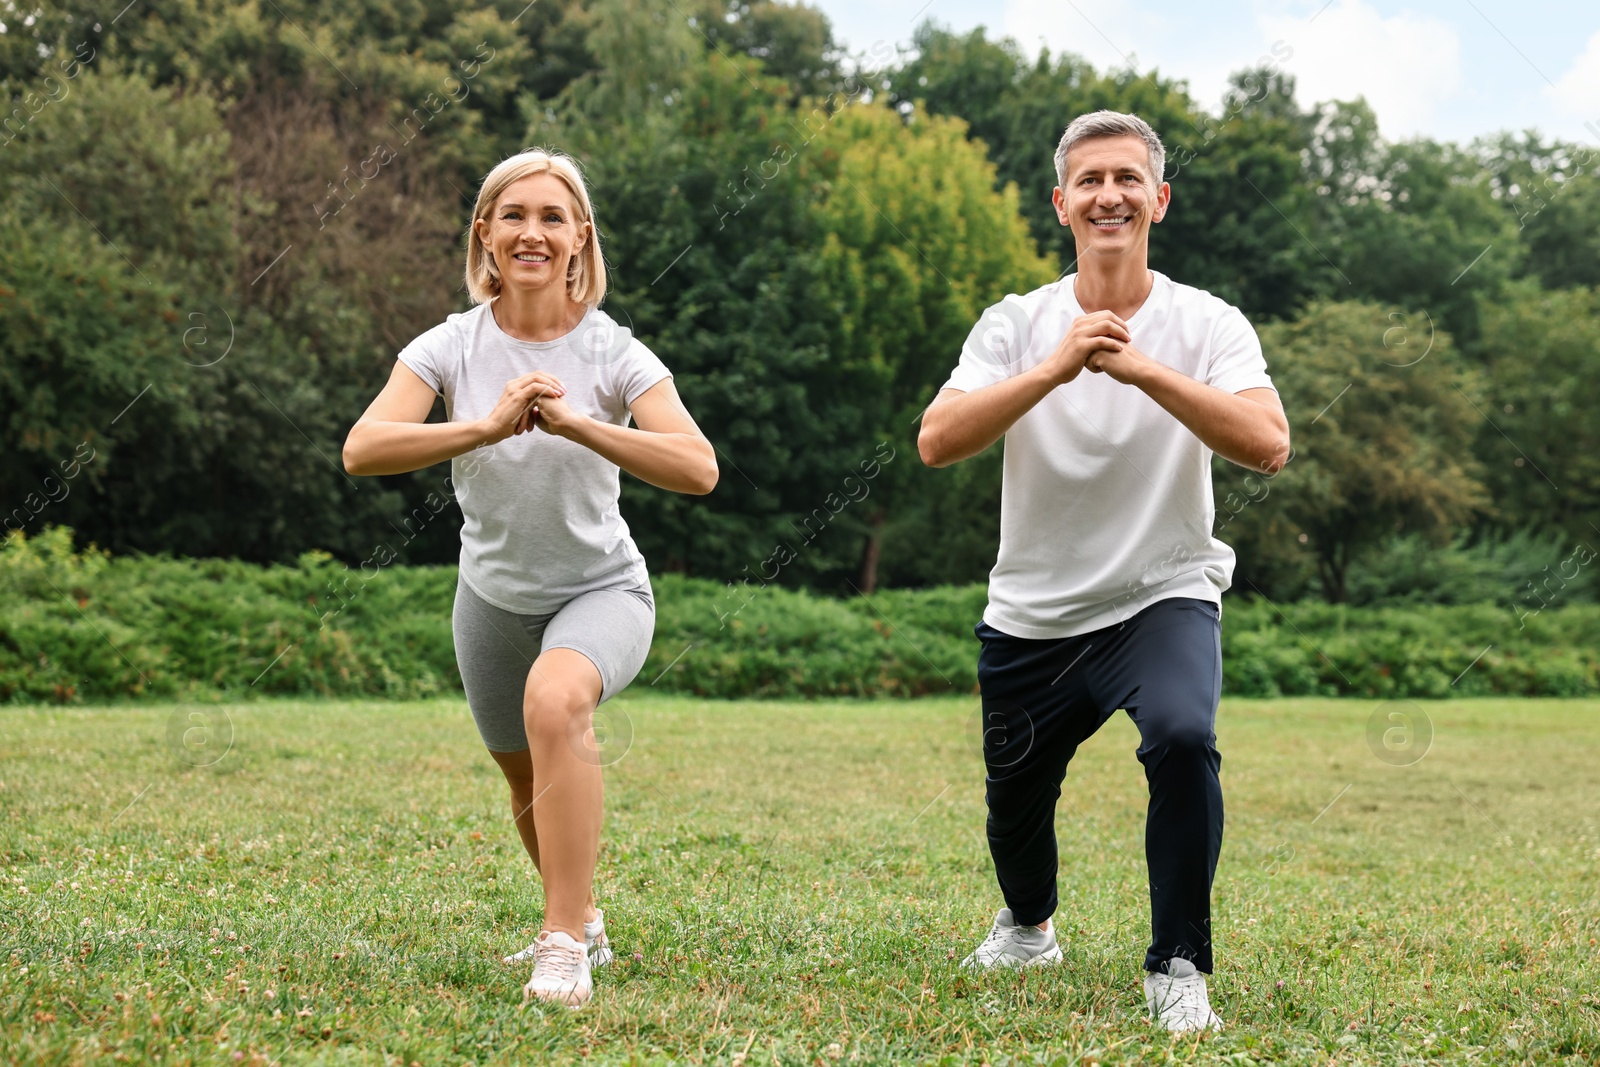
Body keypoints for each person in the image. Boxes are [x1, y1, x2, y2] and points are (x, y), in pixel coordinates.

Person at [917, 110, 1291, 1032]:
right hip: (1034, 613)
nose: (1108, 194)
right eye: (1089, 180)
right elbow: (936, 440)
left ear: (1158, 199)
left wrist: (1146, 370)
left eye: (1128, 178)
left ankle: (1178, 962)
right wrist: (1054, 368)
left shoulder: (1208, 323)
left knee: (1180, 734)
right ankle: (1030, 925)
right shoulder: (1015, 324)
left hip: (1162, 592)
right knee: (1015, 805)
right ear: (1062, 204)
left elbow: (1269, 444)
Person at [343, 148, 718, 1008]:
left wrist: (584, 427)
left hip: (602, 590)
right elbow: (363, 448)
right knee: (525, 778)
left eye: (553, 217)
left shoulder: (614, 349)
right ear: (485, 232)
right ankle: (581, 914)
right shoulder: (449, 344)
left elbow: (698, 467)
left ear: (581, 236)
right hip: (490, 600)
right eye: (513, 215)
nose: (532, 233)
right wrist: (483, 427)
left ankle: (561, 945)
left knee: (557, 703)